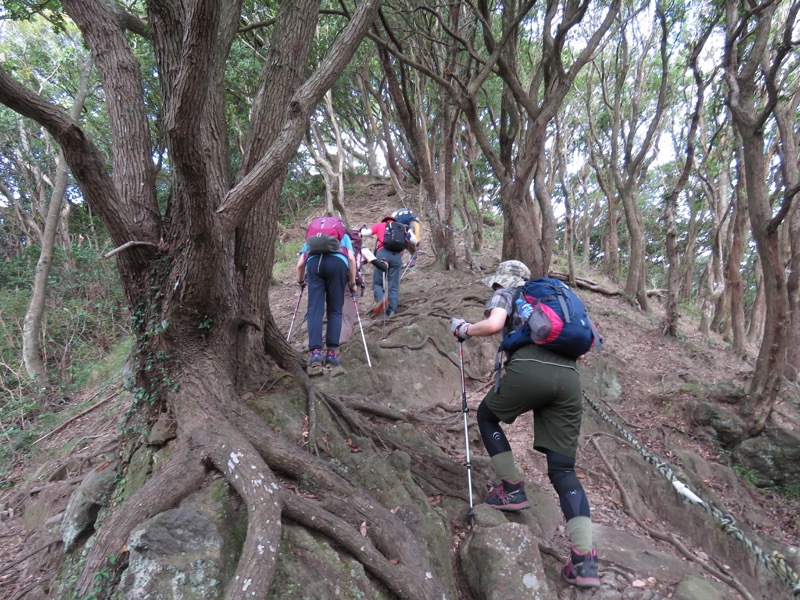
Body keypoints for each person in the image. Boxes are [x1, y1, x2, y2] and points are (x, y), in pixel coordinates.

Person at [449, 260, 601, 589]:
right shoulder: (558, 302)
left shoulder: (508, 292)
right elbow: (584, 352)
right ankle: (584, 561)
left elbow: (493, 325)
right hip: (570, 378)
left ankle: (512, 488)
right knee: (563, 469)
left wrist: (463, 329)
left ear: (503, 280)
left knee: (487, 415)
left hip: (531, 366)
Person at [295, 223, 357, 369]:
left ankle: (315, 353)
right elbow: (352, 259)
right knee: (335, 310)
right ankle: (331, 354)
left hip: (314, 264)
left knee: (315, 310)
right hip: (337, 264)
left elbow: (299, 264)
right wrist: (352, 282)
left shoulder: (313, 237)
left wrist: (301, 281)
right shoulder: (344, 235)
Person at [360, 216, 415, 317]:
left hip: (382, 255)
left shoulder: (380, 225)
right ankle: (392, 311)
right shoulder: (403, 228)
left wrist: (362, 229)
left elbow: (364, 233)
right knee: (393, 285)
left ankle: (381, 300)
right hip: (397, 257)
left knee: (378, 282)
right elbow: (414, 241)